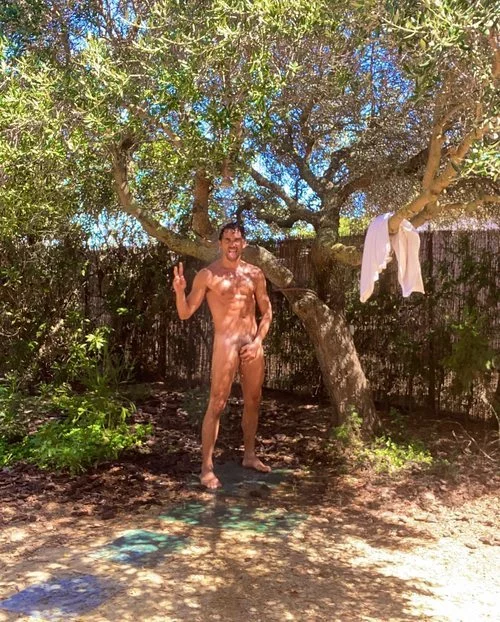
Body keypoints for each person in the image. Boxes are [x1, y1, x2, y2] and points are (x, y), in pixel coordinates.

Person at [173, 222, 273, 489]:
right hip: (225, 344)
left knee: (253, 400)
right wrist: (179, 291)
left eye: (237, 239)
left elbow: (267, 312)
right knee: (216, 404)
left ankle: (249, 456)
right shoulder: (208, 275)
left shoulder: (255, 274)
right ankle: (206, 469)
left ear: (244, 244)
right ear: (220, 243)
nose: (232, 244)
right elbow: (185, 312)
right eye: (227, 239)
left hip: (252, 343)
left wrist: (258, 342)